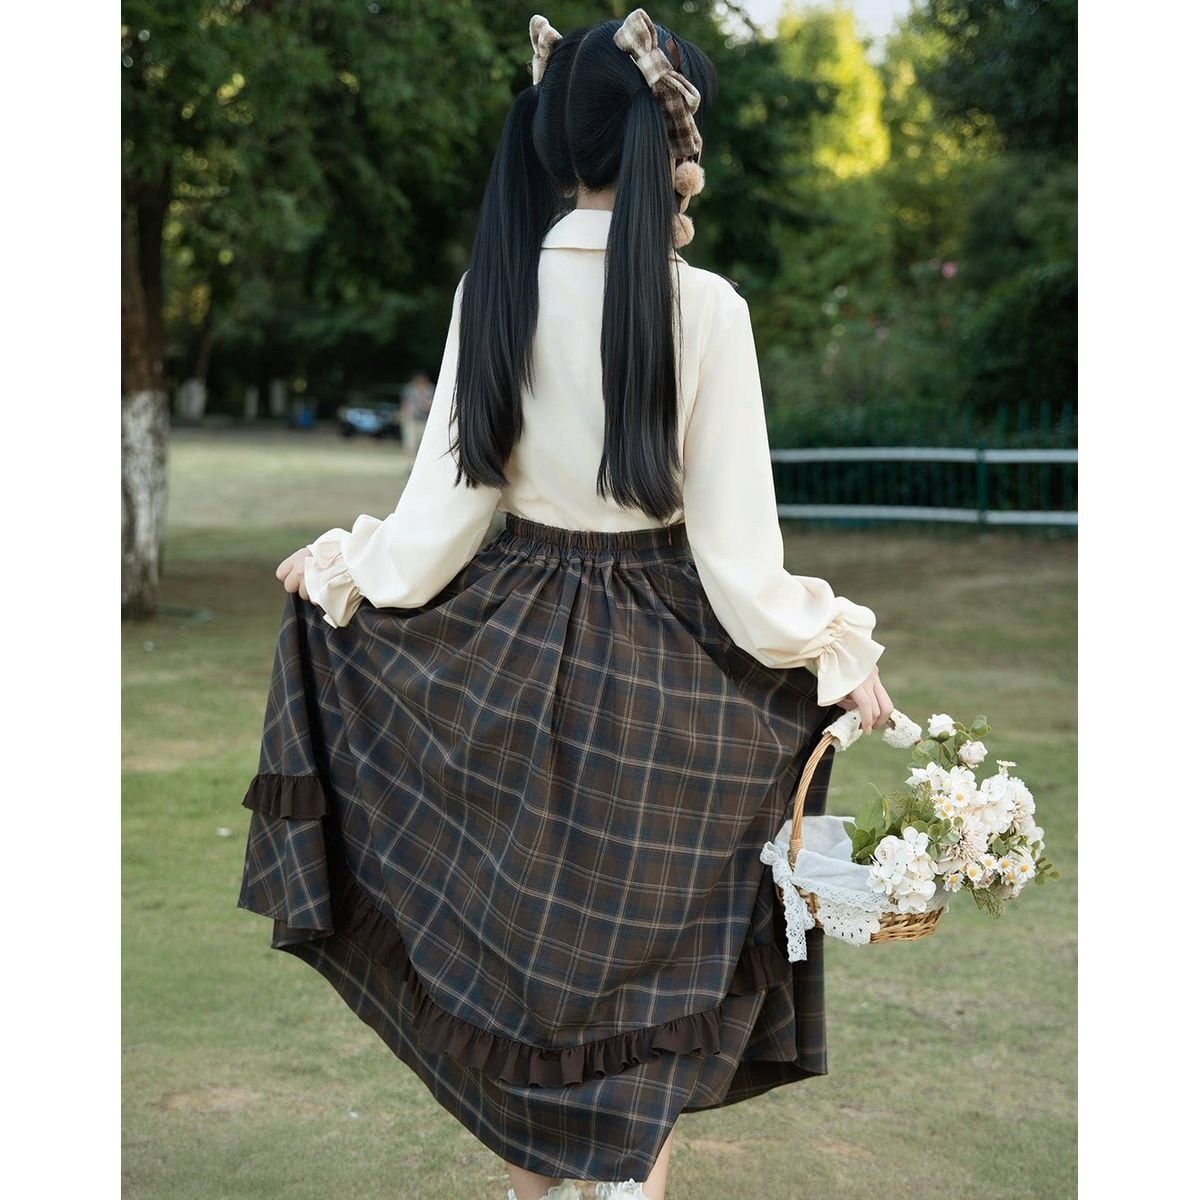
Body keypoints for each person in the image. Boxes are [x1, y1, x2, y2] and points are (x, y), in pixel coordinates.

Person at [241, 10, 893, 1200]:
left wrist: (346, 572)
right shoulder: (708, 308)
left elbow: (439, 523)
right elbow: (740, 563)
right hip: (670, 680)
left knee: (524, 969)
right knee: (656, 971)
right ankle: (631, 1182)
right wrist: (830, 649)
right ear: (673, 146)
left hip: (503, 658)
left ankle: (537, 1184)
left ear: (561, 136)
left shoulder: (495, 287)